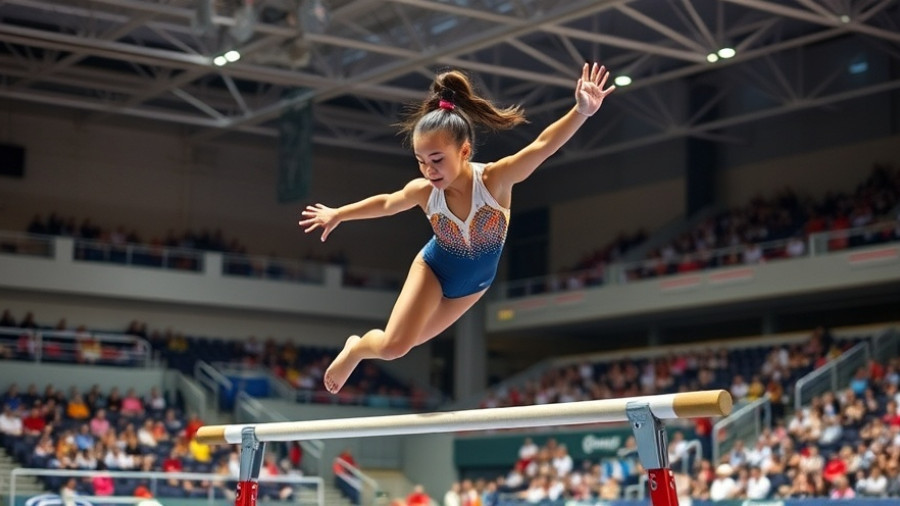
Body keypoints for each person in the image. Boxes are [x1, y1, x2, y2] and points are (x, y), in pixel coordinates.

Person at [300, 62, 615, 393]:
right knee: (394, 346)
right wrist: (338, 214)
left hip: (471, 288)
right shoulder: (425, 192)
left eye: (437, 159)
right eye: (421, 161)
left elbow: (541, 147)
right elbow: (388, 202)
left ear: (464, 151)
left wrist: (581, 111)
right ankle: (358, 349)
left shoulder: (494, 181)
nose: (429, 170)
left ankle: (359, 346)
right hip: (434, 268)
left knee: (401, 344)